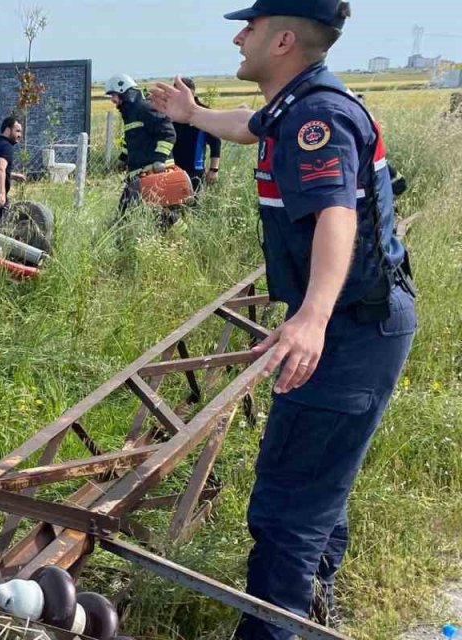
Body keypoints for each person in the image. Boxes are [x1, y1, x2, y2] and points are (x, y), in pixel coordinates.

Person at [149, 1, 416, 637]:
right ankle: (315, 601)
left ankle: (279, 624)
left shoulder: (317, 118)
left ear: (284, 41)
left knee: (287, 505)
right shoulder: (295, 106)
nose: (239, 38)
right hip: (361, 323)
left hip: (351, 329)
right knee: (318, 483)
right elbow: (248, 126)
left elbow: (335, 215)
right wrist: (193, 115)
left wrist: (312, 319)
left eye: (251, 28)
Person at [106, 73, 177, 216]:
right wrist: (122, 160)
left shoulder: (145, 109)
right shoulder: (130, 114)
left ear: (124, 92)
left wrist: (159, 160)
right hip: (139, 174)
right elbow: (132, 141)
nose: (112, 100)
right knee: (130, 214)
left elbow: (168, 133)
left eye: (114, 95)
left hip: (155, 172)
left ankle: (180, 230)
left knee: (163, 215)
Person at [172, 77, 222, 195]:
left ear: (192, 92)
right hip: (172, 169)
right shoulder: (170, 112)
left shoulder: (204, 112)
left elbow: (215, 143)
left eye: (182, 91)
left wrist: (214, 169)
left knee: (194, 203)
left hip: (195, 170)